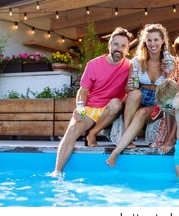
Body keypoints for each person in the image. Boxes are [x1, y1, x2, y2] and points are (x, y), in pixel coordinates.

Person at [49, 27, 133, 176]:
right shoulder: (94, 64)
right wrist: (80, 108)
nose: (118, 49)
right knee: (72, 131)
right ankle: (57, 171)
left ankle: (92, 133)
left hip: (112, 110)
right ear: (109, 45)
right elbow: (83, 91)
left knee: (116, 103)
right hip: (91, 108)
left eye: (123, 46)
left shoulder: (130, 67)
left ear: (127, 49)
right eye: (116, 44)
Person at [105, 23, 170, 167]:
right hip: (139, 98)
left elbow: (171, 89)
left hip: (157, 100)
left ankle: (115, 152)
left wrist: (168, 72)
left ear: (162, 41)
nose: (152, 44)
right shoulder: (136, 62)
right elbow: (129, 89)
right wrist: (130, 88)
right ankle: (128, 137)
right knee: (135, 94)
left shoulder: (169, 62)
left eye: (156, 40)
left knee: (141, 113)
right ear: (145, 42)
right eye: (149, 40)